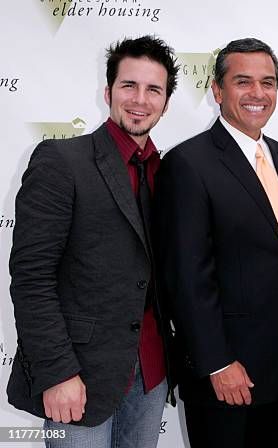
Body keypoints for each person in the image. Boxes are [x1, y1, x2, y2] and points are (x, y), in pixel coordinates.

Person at [7, 35, 179, 447]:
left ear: (166, 102)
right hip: (79, 376)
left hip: (152, 373)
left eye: (153, 89)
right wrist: (57, 371)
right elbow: (31, 277)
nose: (140, 99)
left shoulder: (169, 173)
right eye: (129, 86)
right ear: (108, 92)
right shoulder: (61, 161)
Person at [155, 37, 278, 448]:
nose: (258, 93)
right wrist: (216, 361)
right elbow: (186, 276)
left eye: (268, 82)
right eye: (243, 82)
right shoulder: (187, 164)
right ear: (218, 91)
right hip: (226, 374)